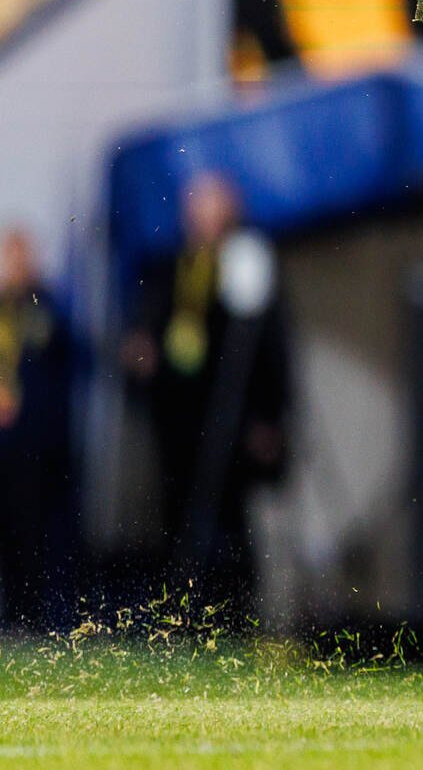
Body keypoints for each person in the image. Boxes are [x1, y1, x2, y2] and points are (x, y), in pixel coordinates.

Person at [123, 173, 291, 611]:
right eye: (194, 202)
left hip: (229, 409)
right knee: (175, 510)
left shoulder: (246, 260)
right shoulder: (172, 262)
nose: (200, 213)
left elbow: (267, 344)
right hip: (177, 409)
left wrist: (269, 415)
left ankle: (236, 611)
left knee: (230, 514)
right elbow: (151, 322)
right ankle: (180, 611)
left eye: (210, 202)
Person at [0, 228, 79, 631]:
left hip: (35, 444)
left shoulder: (45, 303)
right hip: (4, 446)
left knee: (37, 535)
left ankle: (36, 618)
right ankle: (11, 615)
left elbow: (65, 350)